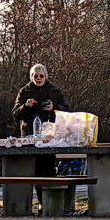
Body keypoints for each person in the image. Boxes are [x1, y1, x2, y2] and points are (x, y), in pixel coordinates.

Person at [12, 64, 70, 212]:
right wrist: (27, 105)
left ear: (45, 76)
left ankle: (52, 201)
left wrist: (54, 107)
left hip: (50, 135)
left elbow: (67, 111)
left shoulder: (54, 91)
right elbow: (15, 114)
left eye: (41, 75)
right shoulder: (24, 91)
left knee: (49, 167)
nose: (38, 78)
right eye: (35, 76)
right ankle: (41, 202)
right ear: (31, 77)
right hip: (30, 136)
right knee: (36, 170)